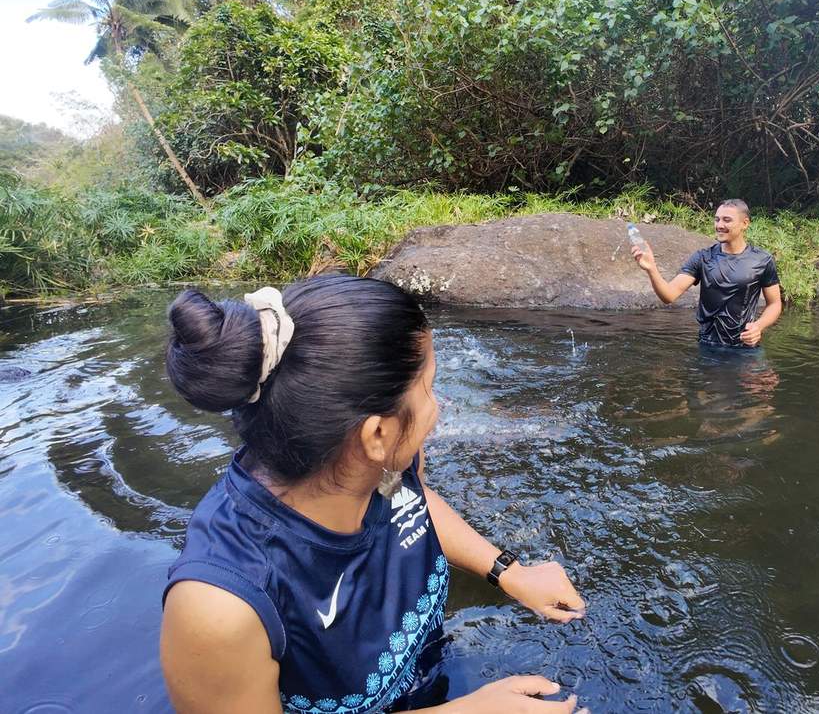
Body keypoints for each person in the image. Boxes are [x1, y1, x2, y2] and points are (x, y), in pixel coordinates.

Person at [160, 275, 587, 714]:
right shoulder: (221, 608)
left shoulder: (384, 468)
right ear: (377, 433)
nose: (439, 408)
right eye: (429, 387)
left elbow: (412, 503)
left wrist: (509, 572)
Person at [633, 199, 782, 347]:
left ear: (745, 223)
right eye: (717, 220)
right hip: (708, 347)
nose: (719, 225)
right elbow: (669, 295)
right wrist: (651, 268)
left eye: (727, 220)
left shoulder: (762, 260)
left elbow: (774, 304)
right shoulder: (703, 258)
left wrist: (758, 326)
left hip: (745, 348)